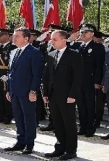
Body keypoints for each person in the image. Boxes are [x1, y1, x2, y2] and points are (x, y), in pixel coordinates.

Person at [43, 30, 82, 160]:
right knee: (57, 123)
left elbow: (77, 77)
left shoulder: (74, 55)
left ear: (64, 40)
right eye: (51, 39)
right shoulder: (51, 54)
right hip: (53, 95)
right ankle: (60, 148)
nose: (51, 41)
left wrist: (73, 95)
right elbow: (47, 76)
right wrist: (45, 93)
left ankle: (71, 150)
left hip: (67, 96)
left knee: (68, 123)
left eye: (55, 39)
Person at [4, 27, 44, 154]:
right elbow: (10, 72)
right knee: (18, 117)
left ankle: (29, 143)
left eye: (17, 36)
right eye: (14, 36)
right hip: (15, 91)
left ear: (26, 38)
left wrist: (33, 91)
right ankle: (20, 141)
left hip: (27, 92)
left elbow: (37, 74)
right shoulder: (13, 52)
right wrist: (8, 90)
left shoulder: (34, 52)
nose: (14, 38)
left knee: (29, 118)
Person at [69, 24, 105, 137]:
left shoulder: (98, 47)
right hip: (79, 81)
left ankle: (90, 128)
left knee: (90, 105)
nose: (83, 34)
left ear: (92, 34)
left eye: (85, 32)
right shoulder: (78, 46)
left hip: (90, 81)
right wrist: (71, 41)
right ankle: (83, 126)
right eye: (82, 32)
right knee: (81, 105)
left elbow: (99, 66)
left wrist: (97, 81)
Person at [0, 28, 16, 124]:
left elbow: (12, 63)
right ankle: (0, 115)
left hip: (5, 73)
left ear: (7, 36)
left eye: (0, 35)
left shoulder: (12, 47)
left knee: (6, 95)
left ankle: (8, 116)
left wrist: (8, 75)